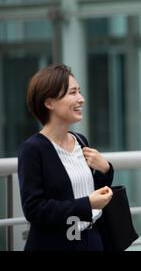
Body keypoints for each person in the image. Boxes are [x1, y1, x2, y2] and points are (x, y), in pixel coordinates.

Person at [18, 64, 114, 251]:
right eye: (72, 93)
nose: (81, 99)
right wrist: (87, 204)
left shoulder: (80, 141)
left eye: (79, 91)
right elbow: (34, 209)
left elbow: (92, 189)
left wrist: (105, 169)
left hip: (92, 239)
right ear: (49, 102)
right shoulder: (32, 149)